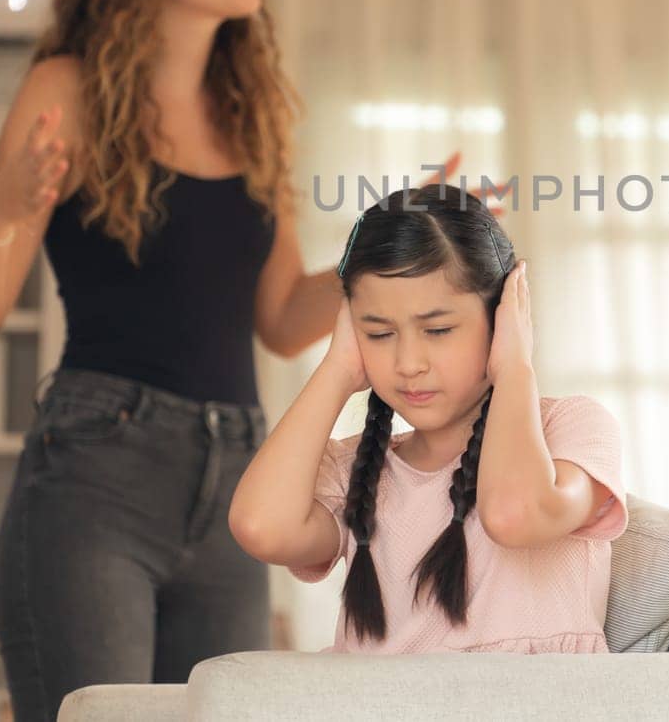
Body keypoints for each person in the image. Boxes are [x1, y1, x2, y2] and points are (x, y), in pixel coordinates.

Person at [0, 0, 342, 721]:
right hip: (98, 478)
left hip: (240, 481)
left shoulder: (254, 118)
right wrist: (2, 205)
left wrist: (384, 253)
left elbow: (278, 317)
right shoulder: (68, 90)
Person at [229, 185, 626, 654]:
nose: (408, 362)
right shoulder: (357, 468)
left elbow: (514, 514)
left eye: (437, 330)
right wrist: (336, 371)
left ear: (503, 316)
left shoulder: (572, 428)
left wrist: (515, 366)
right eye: (378, 332)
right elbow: (261, 527)